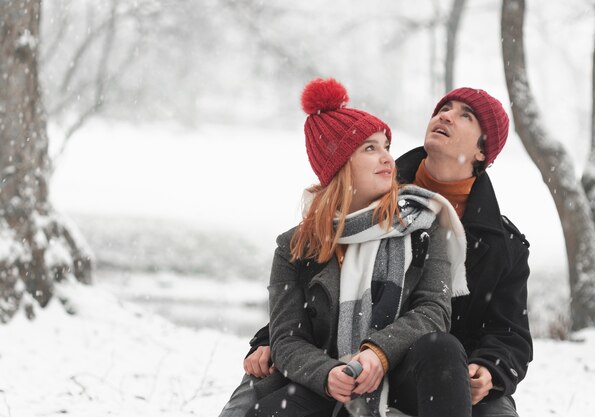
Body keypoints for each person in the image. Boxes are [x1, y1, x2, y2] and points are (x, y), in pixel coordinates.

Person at [220, 86, 533, 417]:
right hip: (340, 360)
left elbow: (506, 333)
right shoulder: (372, 192)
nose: (445, 115)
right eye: (444, 108)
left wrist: (488, 369)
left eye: (464, 115)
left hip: (442, 369)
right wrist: (271, 340)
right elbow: (316, 280)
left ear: (482, 150)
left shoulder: (500, 244)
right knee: (256, 394)